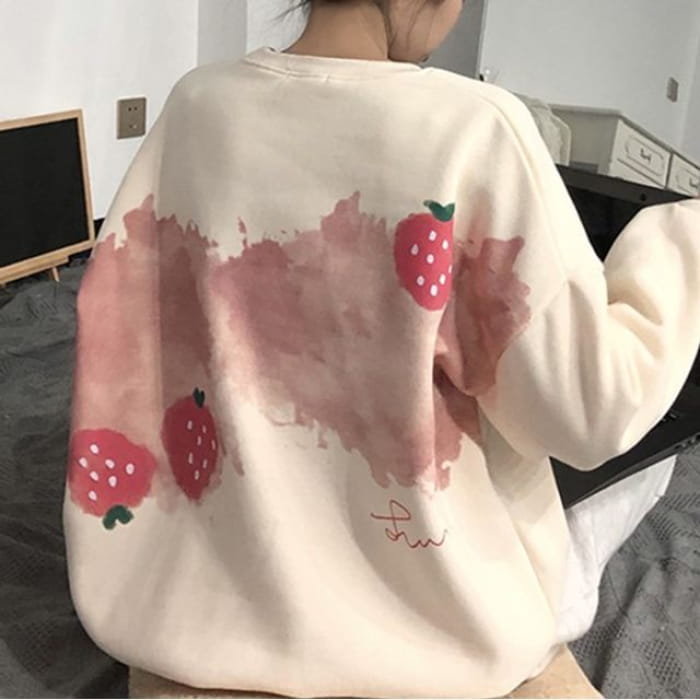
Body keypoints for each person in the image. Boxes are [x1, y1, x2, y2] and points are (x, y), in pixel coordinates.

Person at [63, 0, 700, 697]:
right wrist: (679, 246)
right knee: (646, 456)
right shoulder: (477, 127)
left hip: (200, 605)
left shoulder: (195, 104)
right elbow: (590, 411)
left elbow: (123, 325)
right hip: (433, 622)